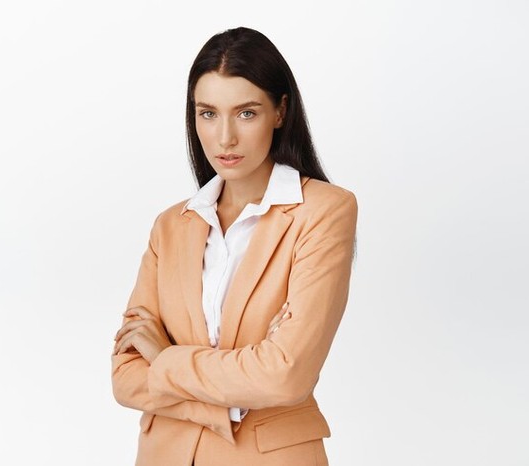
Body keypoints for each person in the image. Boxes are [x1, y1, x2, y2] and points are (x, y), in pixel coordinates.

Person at [111, 26, 358, 466]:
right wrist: (239, 384)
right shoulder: (170, 226)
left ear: (280, 111)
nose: (224, 138)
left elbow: (285, 374)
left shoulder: (323, 211)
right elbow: (126, 377)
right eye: (208, 113)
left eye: (246, 113)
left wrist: (164, 357)